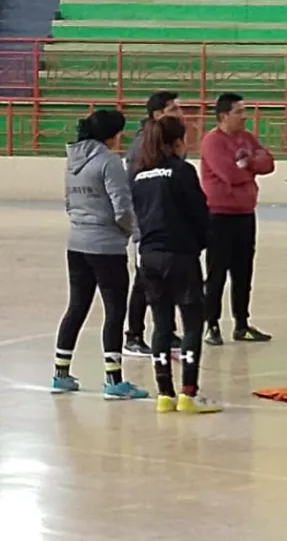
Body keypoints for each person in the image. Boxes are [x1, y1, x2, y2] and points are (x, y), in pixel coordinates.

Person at [52, 109, 148, 400]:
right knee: (115, 310)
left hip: (77, 242)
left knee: (77, 307)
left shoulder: (72, 161)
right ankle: (114, 380)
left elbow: (69, 201)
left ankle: (61, 374)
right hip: (106, 246)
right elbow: (122, 205)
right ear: (113, 134)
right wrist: (132, 233)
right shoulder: (109, 162)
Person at [131, 116, 220, 414]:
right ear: (178, 142)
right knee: (193, 321)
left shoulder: (139, 175)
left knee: (161, 323)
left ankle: (164, 394)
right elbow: (198, 212)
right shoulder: (182, 171)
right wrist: (200, 242)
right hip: (179, 255)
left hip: (149, 257)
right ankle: (189, 393)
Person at [200, 92, 275, 345]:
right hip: (219, 215)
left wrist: (248, 164)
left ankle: (241, 323)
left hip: (245, 214)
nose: (244, 116)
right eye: (239, 112)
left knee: (243, 273)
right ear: (224, 116)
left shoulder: (246, 138)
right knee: (217, 272)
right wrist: (249, 170)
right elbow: (229, 173)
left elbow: (268, 163)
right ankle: (211, 324)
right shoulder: (213, 142)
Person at [122, 90, 183, 356]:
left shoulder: (167, 144)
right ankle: (133, 335)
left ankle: (166, 331)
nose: (180, 114)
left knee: (166, 279)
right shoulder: (142, 147)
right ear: (158, 115)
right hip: (147, 225)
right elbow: (135, 188)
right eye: (174, 110)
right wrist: (139, 226)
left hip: (166, 224)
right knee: (144, 281)